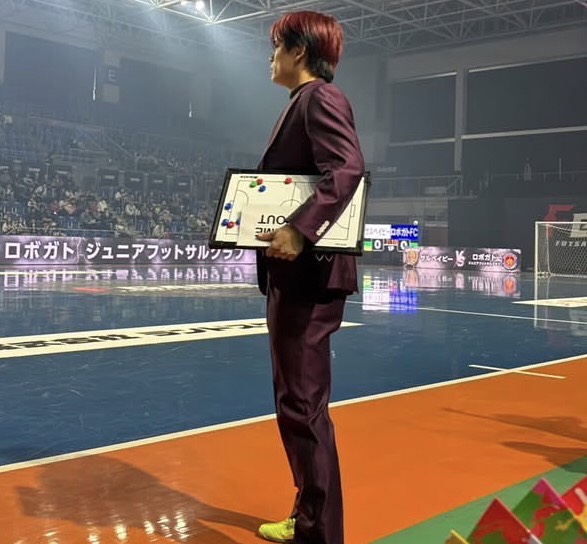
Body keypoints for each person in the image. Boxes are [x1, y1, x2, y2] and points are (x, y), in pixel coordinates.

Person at [254, 11, 364, 544]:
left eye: (277, 46)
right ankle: (307, 515)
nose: (270, 56)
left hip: (309, 275)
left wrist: (300, 230)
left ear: (299, 51)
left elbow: (347, 167)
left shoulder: (320, 97)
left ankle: (319, 533)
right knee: (296, 403)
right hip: (295, 275)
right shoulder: (301, 102)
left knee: (303, 405)